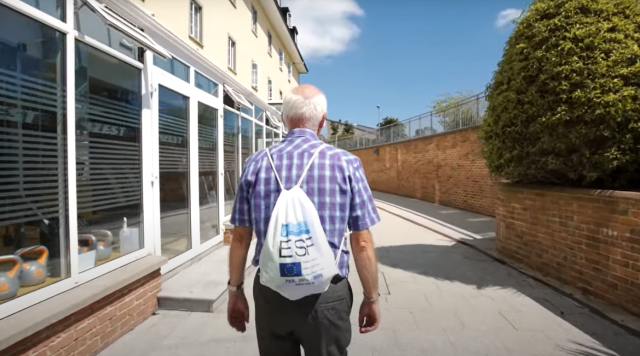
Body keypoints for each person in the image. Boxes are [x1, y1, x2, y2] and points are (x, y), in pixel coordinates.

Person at [227, 84, 382, 356]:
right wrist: (371, 298)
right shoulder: (346, 163)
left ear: (284, 118)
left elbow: (240, 238)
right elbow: (362, 243)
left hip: (271, 293)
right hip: (327, 298)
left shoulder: (255, 163)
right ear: (322, 121)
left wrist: (235, 290)